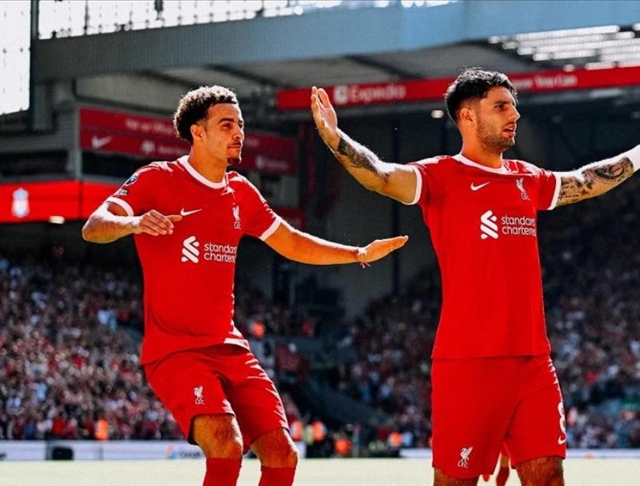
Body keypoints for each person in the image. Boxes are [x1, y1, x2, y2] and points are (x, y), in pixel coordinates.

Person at [310, 68, 640, 486]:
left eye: (513, 106)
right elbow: (380, 176)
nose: (514, 115)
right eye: (501, 107)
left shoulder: (527, 178)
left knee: (548, 476)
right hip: (469, 363)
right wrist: (334, 137)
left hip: (533, 361)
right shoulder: (439, 176)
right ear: (467, 116)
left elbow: (584, 182)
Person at [82, 85, 407, 486]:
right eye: (226, 125)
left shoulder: (241, 191)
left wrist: (357, 253)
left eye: (240, 124)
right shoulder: (157, 179)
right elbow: (94, 226)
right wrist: (133, 222)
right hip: (176, 350)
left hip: (230, 347)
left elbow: (291, 241)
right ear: (198, 132)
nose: (239, 133)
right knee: (226, 444)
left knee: (282, 453)